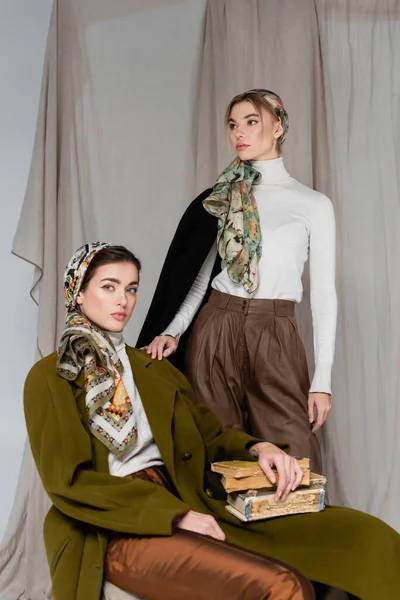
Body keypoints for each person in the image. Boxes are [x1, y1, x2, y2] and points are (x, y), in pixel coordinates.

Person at [24, 242, 400, 600]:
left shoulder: (153, 369)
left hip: (189, 495)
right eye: (109, 287)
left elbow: (209, 434)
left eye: (132, 288)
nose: (123, 300)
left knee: (367, 537)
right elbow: (69, 482)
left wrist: (259, 446)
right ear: (78, 290)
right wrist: (173, 516)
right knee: (283, 586)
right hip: (118, 526)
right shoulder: (52, 376)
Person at [138, 89, 336, 473]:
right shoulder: (223, 196)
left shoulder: (312, 204)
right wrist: (174, 331)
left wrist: (322, 380)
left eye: (251, 122)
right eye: (233, 125)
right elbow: (203, 279)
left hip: (274, 330)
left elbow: (324, 296)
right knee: (220, 454)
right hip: (216, 326)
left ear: (278, 126)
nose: (239, 134)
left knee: (296, 458)